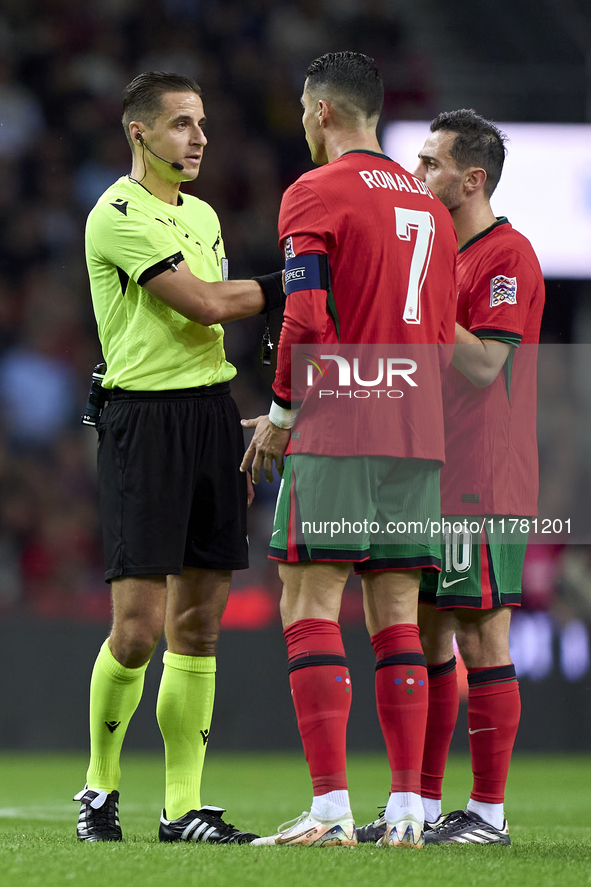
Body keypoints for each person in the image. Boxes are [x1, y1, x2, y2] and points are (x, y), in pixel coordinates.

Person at [241, 52, 457, 848]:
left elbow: (304, 320)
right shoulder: (429, 206)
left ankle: (330, 809)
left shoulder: (315, 190)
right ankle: (406, 808)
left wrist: (281, 412)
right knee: (397, 613)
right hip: (417, 427)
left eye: (303, 109)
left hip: (343, 420)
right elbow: (436, 331)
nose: (302, 122)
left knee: (308, 599)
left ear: (324, 111)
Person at [74, 71, 284, 844]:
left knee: (199, 621)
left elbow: (218, 323)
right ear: (139, 132)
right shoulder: (115, 214)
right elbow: (203, 302)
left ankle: (181, 808)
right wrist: (294, 279)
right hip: (143, 420)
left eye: (200, 125)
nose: (197, 139)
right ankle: (98, 786)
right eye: (179, 125)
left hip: (207, 414)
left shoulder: (200, 213)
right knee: (137, 628)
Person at [357, 110, 545, 845]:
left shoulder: (508, 257)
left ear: (471, 178)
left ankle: (488, 814)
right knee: (431, 634)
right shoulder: (435, 254)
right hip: (428, 472)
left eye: (430, 164)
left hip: (483, 477)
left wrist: (422, 308)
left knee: (479, 636)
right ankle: (425, 807)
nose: (416, 175)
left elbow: (483, 364)